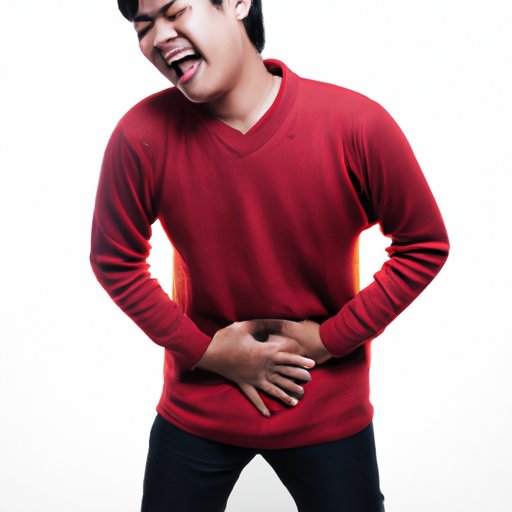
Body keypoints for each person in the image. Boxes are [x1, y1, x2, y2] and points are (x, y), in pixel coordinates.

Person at [90, 0, 449, 510]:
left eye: (175, 11)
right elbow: (114, 260)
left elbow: (424, 244)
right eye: (143, 26)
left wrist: (330, 339)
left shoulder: (356, 124)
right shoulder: (140, 135)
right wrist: (208, 353)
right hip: (198, 408)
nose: (159, 37)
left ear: (239, 2)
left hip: (325, 407)